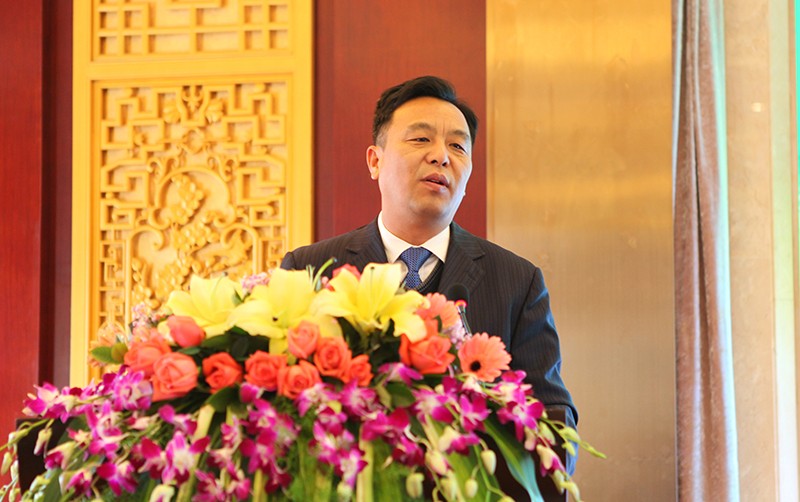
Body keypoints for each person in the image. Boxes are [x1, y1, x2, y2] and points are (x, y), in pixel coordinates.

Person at [281, 76, 577, 483]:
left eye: (458, 146)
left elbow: (553, 421)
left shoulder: (517, 281)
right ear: (375, 161)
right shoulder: (310, 270)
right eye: (421, 139)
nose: (441, 156)